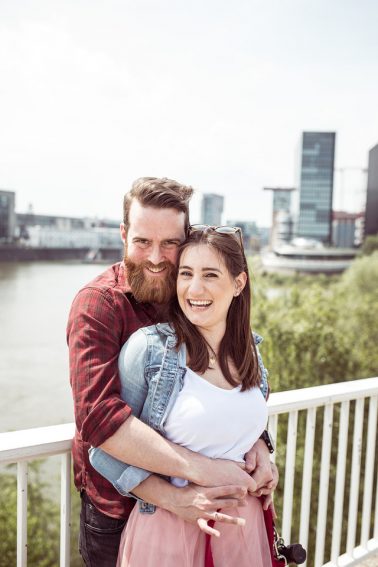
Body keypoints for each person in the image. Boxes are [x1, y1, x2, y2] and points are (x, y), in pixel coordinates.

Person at [67, 177, 277, 566]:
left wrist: (258, 443)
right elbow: (99, 422)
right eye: (143, 241)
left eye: (170, 244)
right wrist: (198, 476)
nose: (156, 257)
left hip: (216, 511)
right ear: (124, 235)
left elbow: (224, 392)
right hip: (120, 510)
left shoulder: (193, 298)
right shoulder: (99, 305)